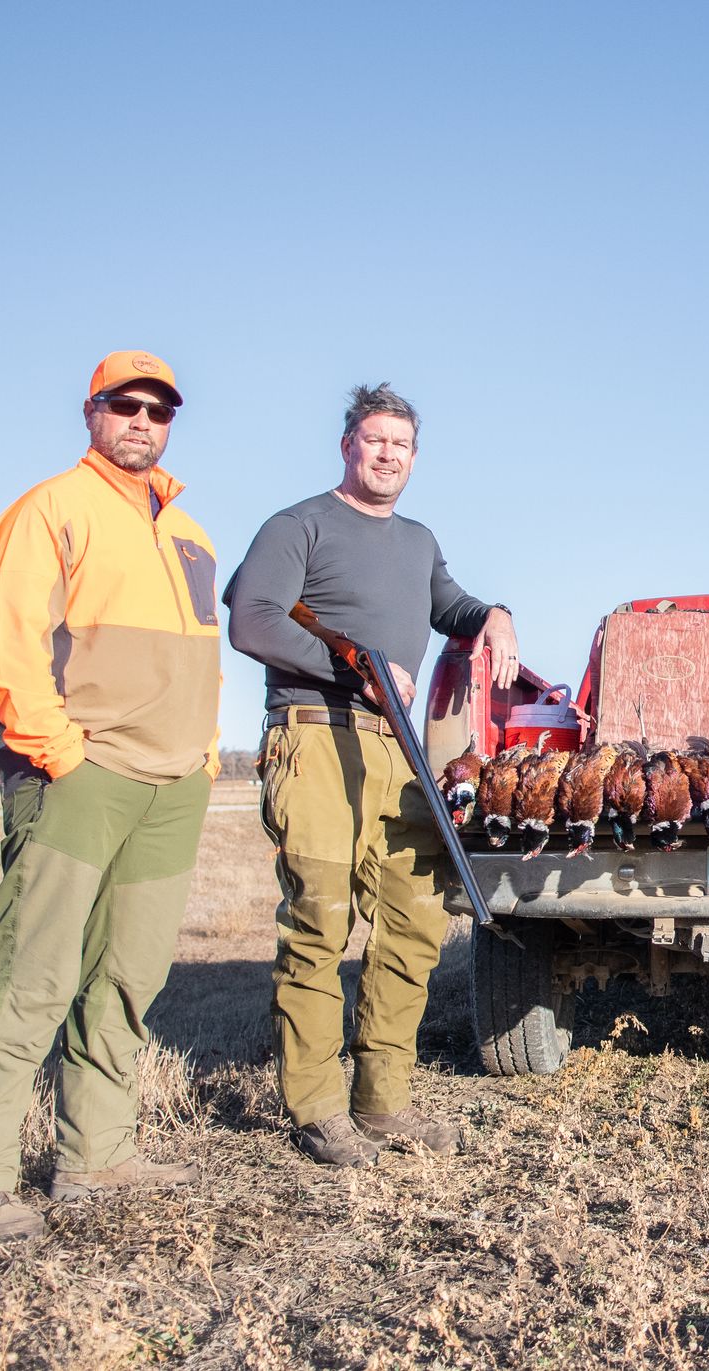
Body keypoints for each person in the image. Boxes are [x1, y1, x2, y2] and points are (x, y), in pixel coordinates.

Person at [0, 351, 220, 1243]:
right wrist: (58, 751)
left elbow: (200, 659)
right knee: (32, 975)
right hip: (82, 774)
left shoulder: (192, 534)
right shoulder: (49, 509)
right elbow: (8, 643)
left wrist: (205, 753)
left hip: (173, 785)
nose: (143, 420)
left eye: (159, 409)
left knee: (128, 978)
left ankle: (95, 1153)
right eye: (125, 405)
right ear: (92, 411)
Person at [224, 383, 516, 1167]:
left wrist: (495, 613)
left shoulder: (418, 541)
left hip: (396, 748)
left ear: (414, 458)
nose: (388, 455)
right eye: (375, 439)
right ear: (348, 445)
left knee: (417, 918)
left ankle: (383, 1099)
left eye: (403, 445)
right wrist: (354, 668)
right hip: (314, 737)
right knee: (320, 923)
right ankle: (318, 1108)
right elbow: (251, 618)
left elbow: (449, 604)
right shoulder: (299, 525)